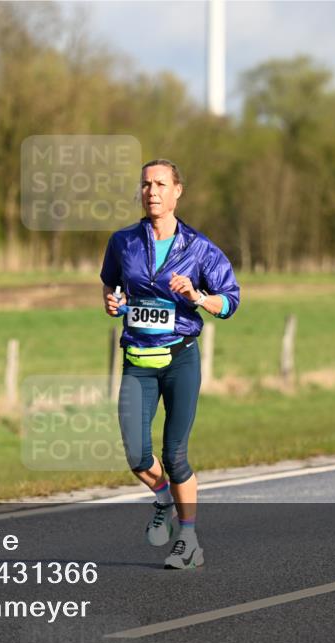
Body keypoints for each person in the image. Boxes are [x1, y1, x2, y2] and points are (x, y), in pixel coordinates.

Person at [100, 159, 240, 569]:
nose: (152, 192)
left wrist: (197, 296)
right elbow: (111, 283)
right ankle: (163, 497)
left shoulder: (199, 248)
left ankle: (190, 539)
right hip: (137, 360)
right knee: (137, 455)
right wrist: (112, 301)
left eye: (160, 184)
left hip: (180, 359)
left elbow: (230, 301)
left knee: (175, 454)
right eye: (145, 185)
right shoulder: (123, 242)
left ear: (178, 191)